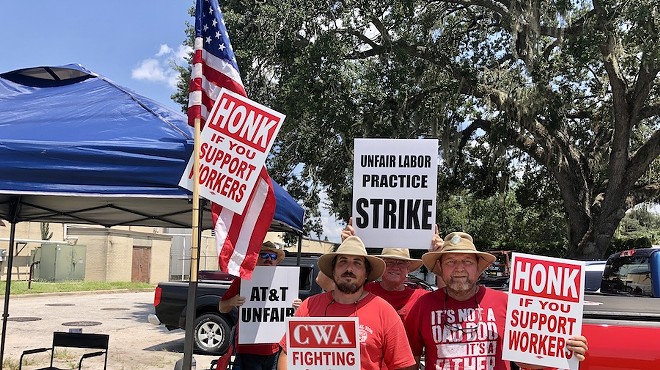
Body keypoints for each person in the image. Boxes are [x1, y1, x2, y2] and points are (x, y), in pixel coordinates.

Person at [405, 232, 589, 370]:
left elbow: (527, 361)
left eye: (467, 261)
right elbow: (410, 361)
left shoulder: (507, 303)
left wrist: (564, 348)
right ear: (440, 267)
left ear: (479, 268)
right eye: (450, 261)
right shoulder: (422, 306)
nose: (459, 268)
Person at [277, 236, 417, 370]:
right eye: (343, 261)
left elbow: (402, 365)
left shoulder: (385, 312)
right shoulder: (308, 306)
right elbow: (287, 355)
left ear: (366, 273)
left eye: (357, 263)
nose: (349, 269)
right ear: (333, 270)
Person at [341, 217, 445, 319]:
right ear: (382, 266)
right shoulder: (364, 291)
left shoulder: (419, 297)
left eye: (401, 263)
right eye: (390, 262)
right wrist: (346, 248)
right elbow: (330, 286)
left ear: (408, 268)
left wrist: (439, 255)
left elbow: (446, 296)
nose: (395, 267)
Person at [219, 241, 299, 370]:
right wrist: (232, 301)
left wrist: (297, 307)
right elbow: (222, 307)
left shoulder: (284, 281)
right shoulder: (243, 280)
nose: (269, 259)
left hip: (274, 350)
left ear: (276, 262)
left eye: (273, 257)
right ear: (256, 258)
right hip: (247, 349)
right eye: (264, 255)